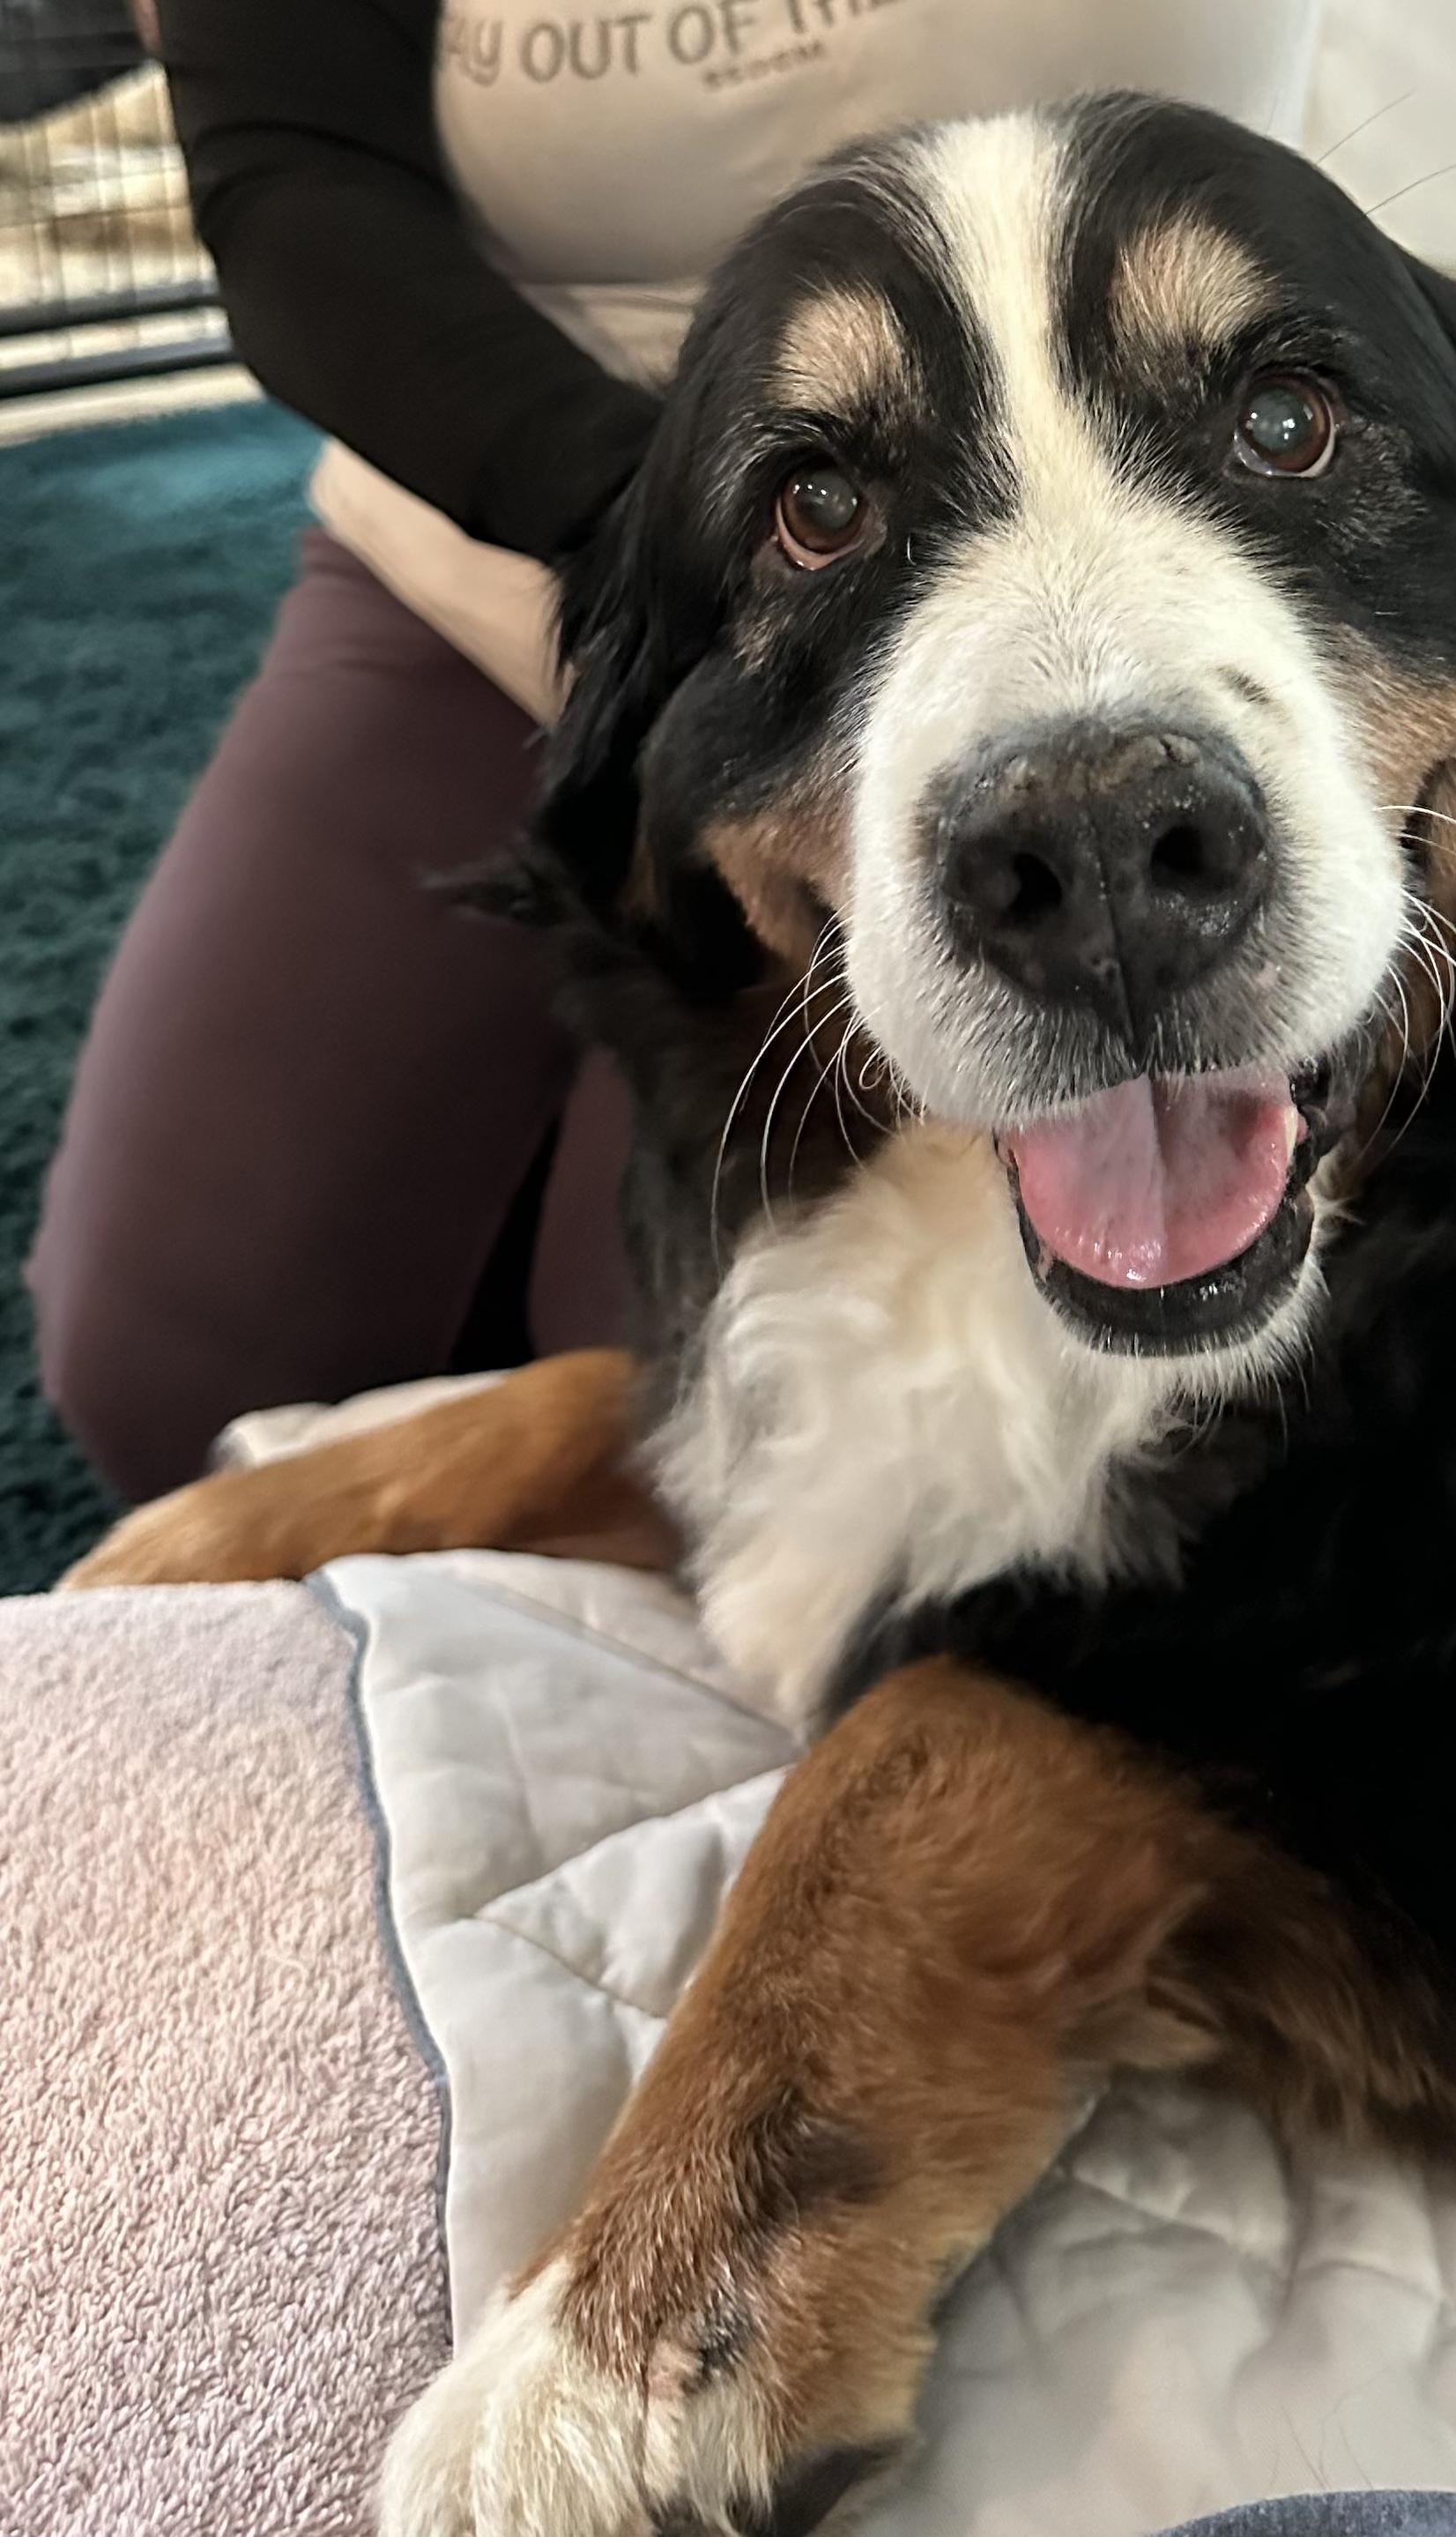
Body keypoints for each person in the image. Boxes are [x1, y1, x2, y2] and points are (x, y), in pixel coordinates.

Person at [26, 0, 1319, 1502]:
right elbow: (297, 200)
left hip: (1155, 507)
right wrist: (727, 536)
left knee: (759, 1413)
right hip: (503, 542)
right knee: (171, 1365)